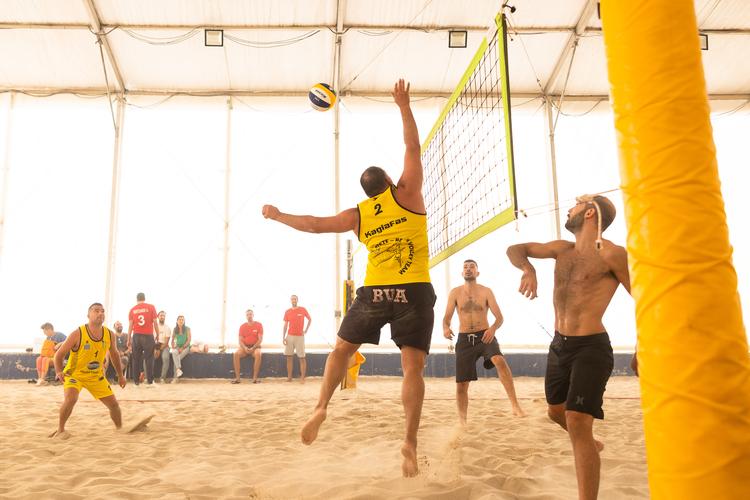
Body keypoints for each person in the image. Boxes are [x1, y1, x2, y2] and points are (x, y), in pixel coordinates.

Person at [262, 79, 435, 477]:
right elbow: (412, 147)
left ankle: (321, 406)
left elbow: (314, 224)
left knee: (341, 350)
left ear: (367, 191)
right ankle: (409, 441)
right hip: (413, 290)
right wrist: (403, 105)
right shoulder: (407, 193)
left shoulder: (359, 215)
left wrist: (278, 214)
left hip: (374, 292)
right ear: (389, 182)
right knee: (413, 369)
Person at [506, 194, 630, 500]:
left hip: (591, 347)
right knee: (555, 412)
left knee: (577, 420)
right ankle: (587, 440)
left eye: (576, 205)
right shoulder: (562, 249)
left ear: (589, 213)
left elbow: (644, 296)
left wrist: (645, 345)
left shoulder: (612, 254)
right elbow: (515, 249)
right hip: (559, 345)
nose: (569, 209)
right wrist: (528, 269)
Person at [443, 259, 525, 422]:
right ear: (462, 273)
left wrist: (492, 329)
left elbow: (499, 318)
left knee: (499, 361)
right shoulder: (455, 293)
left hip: (485, 335)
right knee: (462, 384)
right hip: (464, 339)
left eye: (472, 267)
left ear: (477, 272)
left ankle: (515, 406)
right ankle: (462, 422)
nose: (468, 269)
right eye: (465, 267)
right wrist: (445, 328)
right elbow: (446, 318)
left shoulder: (486, 291)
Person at [51, 303, 126, 439]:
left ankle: (120, 429)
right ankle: (60, 429)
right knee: (71, 399)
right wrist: (58, 371)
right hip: (74, 375)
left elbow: (115, 355)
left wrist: (121, 376)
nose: (100, 313)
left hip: (96, 376)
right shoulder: (77, 333)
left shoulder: (109, 334)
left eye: (102, 311)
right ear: (88, 315)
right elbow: (58, 355)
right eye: (96, 311)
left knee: (114, 405)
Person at [127, 292, 159, 386]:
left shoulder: (132, 310)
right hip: (148, 335)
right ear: (144, 298)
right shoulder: (151, 307)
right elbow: (155, 322)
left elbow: (130, 326)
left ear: (137, 299)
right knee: (149, 359)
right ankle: (150, 381)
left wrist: (128, 339)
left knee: (136, 359)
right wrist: (157, 334)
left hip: (136, 335)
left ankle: (136, 382)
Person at [283, 294, 311, 382]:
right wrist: (283, 337)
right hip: (289, 336)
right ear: (290, 301)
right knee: (289, 357)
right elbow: (285, 325)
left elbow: (310, 319)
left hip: (300, 337)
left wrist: (305, 330)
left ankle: (302, 378)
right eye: (292, 299)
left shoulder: (303, 309)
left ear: (297, 300)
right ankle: (289, 377)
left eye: (295, 299)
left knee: (302, 357)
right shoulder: (287, 311)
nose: (293, 300)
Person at [232, 309, 263, 384]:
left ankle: (254, 379)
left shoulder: (259, 325)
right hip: (245, 347)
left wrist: (253, 348)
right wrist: (245, 348)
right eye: (248, 315)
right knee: (236, 354)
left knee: (258, 354)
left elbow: (260, 339)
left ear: (253, 315)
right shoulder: (242, 326)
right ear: (246, 316)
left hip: (255, 347)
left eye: (250, 314)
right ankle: (238, 379)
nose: (249, 316)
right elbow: (240, 341)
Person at [170, 315, 191, 382]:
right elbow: (172, 339)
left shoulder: (187, 329)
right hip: (177, 347)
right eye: (180, 319)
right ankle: (178, 370)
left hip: (186, 347)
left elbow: (189, 340)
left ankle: (175, 378)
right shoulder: (175, 329)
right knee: (174, 352)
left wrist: (182, 348)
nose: (181, 321)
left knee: (176, 358)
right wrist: (173, 346)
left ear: (184, 321)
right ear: (177, 321)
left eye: (182, 320)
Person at [156, 310, 172, 383]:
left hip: (164, 346)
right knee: (148, 357)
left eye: (163, 316)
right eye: (161, 315)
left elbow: (166, 342)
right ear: (158, 317)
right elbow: (152, 339)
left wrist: (159, 350)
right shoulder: (154, 326)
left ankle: (162, 378)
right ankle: (147, 378)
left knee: (165, 358)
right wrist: (156, 349)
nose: (162, 317)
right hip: (155, 345)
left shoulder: (167, 328)